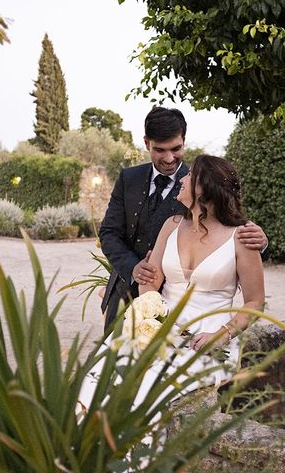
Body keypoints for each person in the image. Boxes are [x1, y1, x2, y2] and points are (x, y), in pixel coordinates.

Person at [78, 155, 264, 413]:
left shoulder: (242, 236)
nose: (183, 178)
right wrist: (152, 316)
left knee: (147, 388)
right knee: (98, 376)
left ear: (204, 189)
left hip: (205, 337)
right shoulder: (172, 225)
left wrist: (222, 334)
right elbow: (150, 283)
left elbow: (255, 302)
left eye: (190, 176)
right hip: (157, 326)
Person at [98, 107, 267, 331]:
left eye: (176, 148)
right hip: (125, 294)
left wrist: (262, 243)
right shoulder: (129, 178)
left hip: (191, 320)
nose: (169, 158)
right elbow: (108, 232)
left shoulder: (200, 183)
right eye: (160, 150)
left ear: (184, 141)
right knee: (113, 362)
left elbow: (230, 231)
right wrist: (133, 268)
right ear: (147, 143)